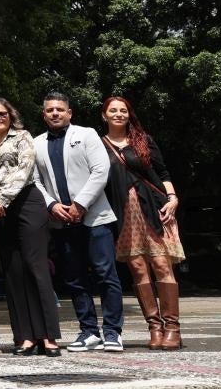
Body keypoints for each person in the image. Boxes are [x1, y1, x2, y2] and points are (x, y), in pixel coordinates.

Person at [33, 91, 123, 353]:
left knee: (106, 274)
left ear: (69, 113)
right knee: (74, 278)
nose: (55, 113)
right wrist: (51, 204)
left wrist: (80, 204)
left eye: (60, 109)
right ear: (44, 114)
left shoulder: (87, 134)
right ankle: (88, 331)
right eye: (50, 110)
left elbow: (101, 170)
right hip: (61, 220)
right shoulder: (37, 143)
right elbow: (35, 180)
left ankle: (112, 331)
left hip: (95, 217)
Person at [0, 98, 61, 357]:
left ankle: (48, 336)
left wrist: (1, 200)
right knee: (13, 272)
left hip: (26, 203)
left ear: (10, 116)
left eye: (2, 113)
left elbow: (23, 171)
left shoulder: (23, 137)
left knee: (36, 269)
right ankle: (24, 336)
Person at [100, 96, 185, 350]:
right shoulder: (99, 144)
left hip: (155, 205)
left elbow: (163, 173)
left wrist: (172, 198)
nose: (118, 114)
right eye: (112, 110)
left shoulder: (143, 139)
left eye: (122, 110)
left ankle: (173, 328)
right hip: (124, 211)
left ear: (129, 114)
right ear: (104, 116)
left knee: (161, 263)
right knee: (137, 268)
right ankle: (154, 327)